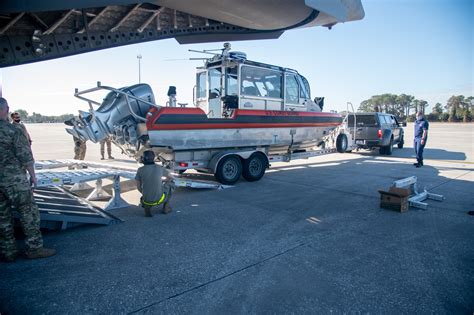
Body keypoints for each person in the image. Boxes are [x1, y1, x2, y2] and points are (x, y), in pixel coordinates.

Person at [0, 97, 56, 262]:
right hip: (14, 180)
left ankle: (8, 251)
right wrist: (33, 175)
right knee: (28, 212)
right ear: (6, 109)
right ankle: (34, 248)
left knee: (2, 216)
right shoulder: (13, 130)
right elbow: (25, 155)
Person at [135, 151, 175, 217]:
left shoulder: (140, 170)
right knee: (171, 184)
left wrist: (146, 194)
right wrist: (161, 180)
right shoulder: (160, 168)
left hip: (145, 200)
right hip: (160, 200)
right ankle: (166, 208)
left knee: (147, 193)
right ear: (153, 158)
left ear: (143, 159)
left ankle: (147, 207)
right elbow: (171, 178)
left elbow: (138, 187)